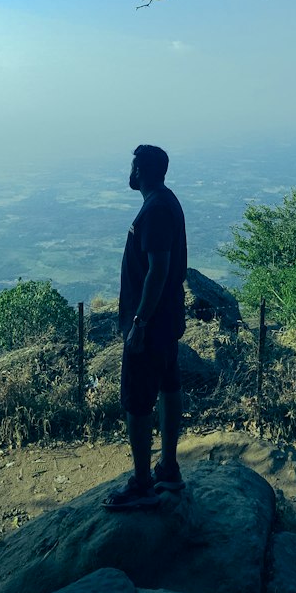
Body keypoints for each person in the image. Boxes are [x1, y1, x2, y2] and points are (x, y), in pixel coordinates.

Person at [103, 144, 188, 511]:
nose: (130, 171)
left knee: (138, 403)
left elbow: (158, 269)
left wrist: (139, 321)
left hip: (151, 324)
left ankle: (141, 484)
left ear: (145, 171)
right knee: (169, 388)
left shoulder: (154, 210)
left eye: (135, 165)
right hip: (167, 319)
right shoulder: (166, 201)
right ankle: (168, 467)